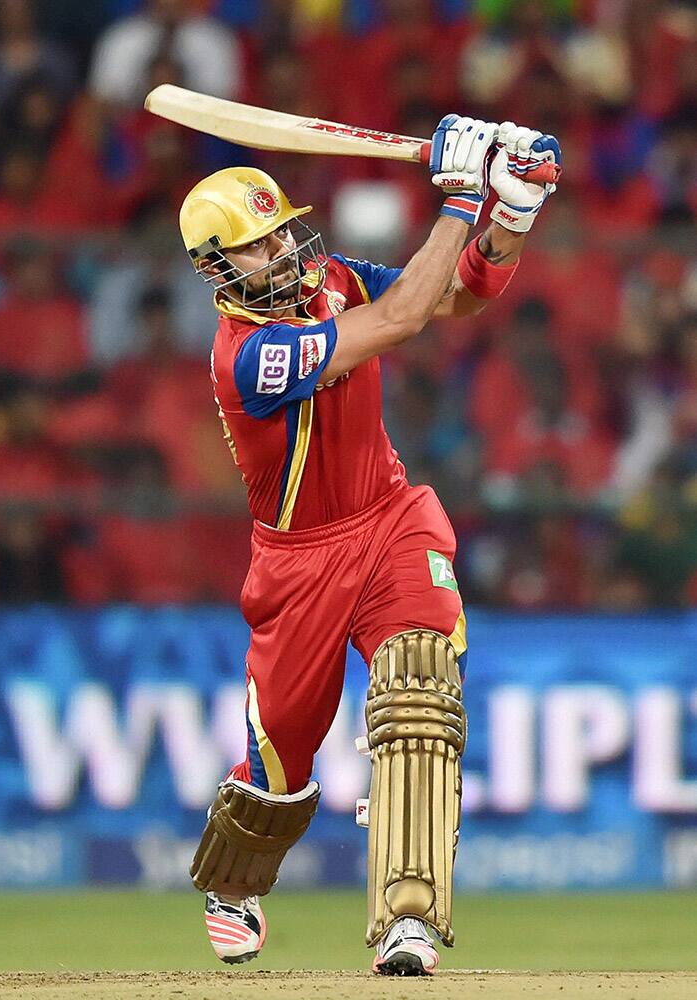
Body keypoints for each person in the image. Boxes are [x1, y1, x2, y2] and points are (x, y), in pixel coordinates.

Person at [177, 116, 561, 975]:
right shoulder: (249, 358)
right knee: (279, 762)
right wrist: (463, 194)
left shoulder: (329, 275)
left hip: (391, 518)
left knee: (420, 686)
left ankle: (407, 918)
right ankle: (235, 878)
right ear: (213, 269)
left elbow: (458, 293)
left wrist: (513, 210)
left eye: (281, 231)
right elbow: (394, 323)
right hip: (298, 562)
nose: (279, 252)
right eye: (254, 247)